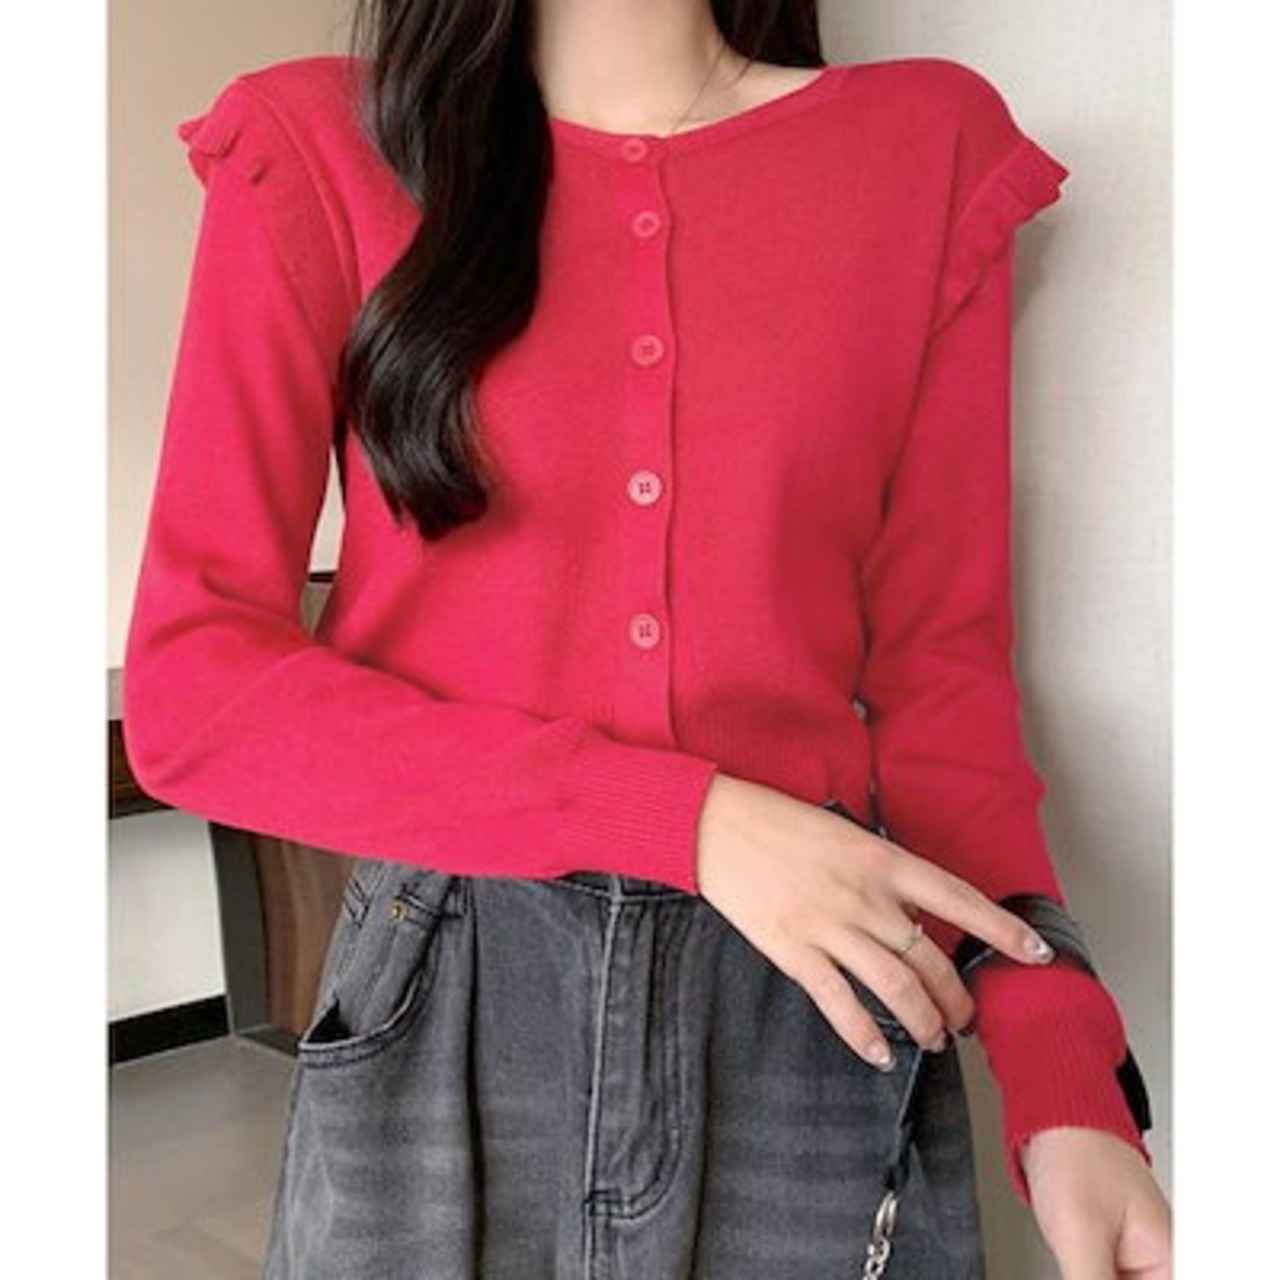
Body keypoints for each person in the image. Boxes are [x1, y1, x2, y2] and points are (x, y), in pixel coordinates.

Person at [122, 1, 1172, 1275]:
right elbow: (197, 690)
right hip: (446, 982)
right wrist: (685, 819)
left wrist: (1063, 1068)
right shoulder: (316, 145)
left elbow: (940, 679)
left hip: (813, 993)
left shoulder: (922, 147)